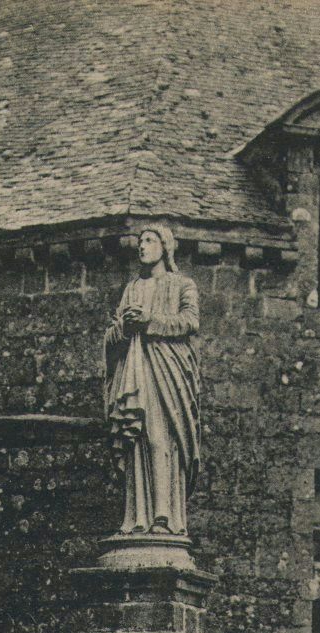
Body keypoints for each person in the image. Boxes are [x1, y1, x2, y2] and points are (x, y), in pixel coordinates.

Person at [102, 224, 201, 534]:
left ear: (164, 247)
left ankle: (165, 515)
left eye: (149, 240)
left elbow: (190, 321)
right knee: (136, 439)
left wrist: (150, 322)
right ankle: (136, 518)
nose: (142, 247)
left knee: (160, 436)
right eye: (140, 242)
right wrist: (125, 330)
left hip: (167, 370)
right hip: (134, 369)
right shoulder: (131, 289)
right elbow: (112, 336)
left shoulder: (182, 284)